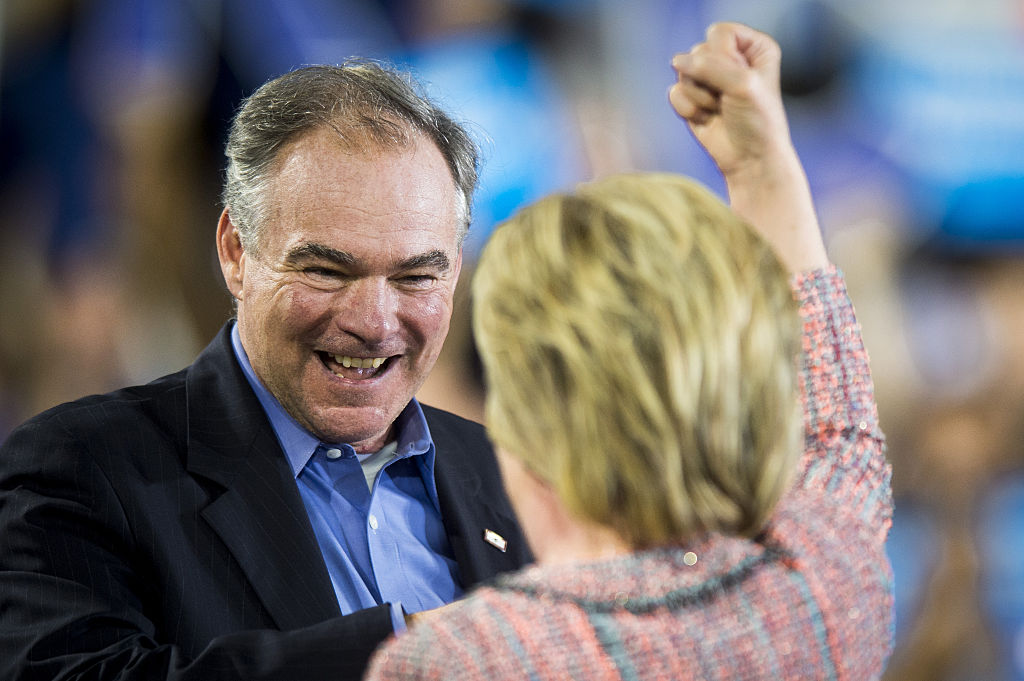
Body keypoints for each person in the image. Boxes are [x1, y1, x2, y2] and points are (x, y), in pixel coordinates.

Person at [365, 21, 894, 681]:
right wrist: (762, 169)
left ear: (521, 424)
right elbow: (840, 441)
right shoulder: (826, 591)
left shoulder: (461, 658)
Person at [0, 62, 531, 680]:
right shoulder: (84, 467)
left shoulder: (508, 472)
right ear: (235, 252)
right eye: (327, 271)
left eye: (415, 276)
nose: (374, 321)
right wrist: (398, 651)